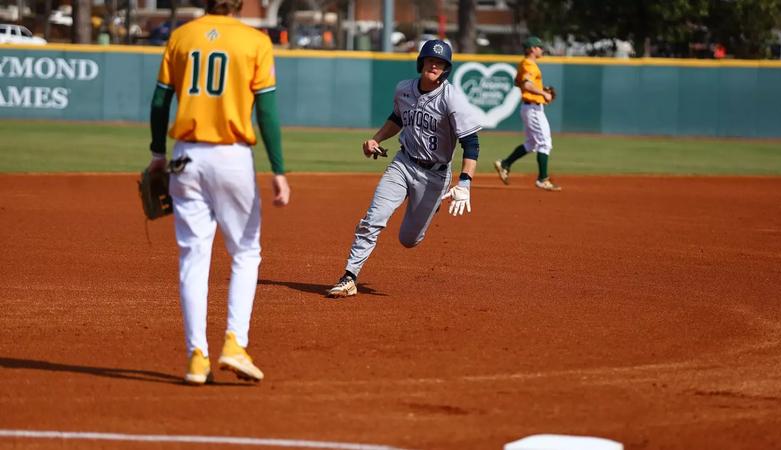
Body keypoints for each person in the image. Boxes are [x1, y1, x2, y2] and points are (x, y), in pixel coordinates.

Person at [147, 0, 290, 385]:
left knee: (194, 255)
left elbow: (161, 101)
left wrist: (158, 154)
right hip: (231, 157)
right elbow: (268, 111)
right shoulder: (254, 39)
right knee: (245, 252)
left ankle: (196, 357)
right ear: (240, 4)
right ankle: (234, 343)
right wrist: (278, 169)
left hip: (186, 157)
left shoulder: (181, 36)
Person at [326, 39, 481, 298]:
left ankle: (430, 206)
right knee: (373, 219)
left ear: (446, 69)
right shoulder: (404, 89)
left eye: (441, 63)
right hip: (403, 163)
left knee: (409, 240)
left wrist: (465, 181)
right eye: (431, 60)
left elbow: (471, 143)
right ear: (422, 62)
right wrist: (376, 139)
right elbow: (397, 118)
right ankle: (349, 276)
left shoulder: (452, 98)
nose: (435, 65)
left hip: (435, 175)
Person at [494, 36, 561, 191]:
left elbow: (518, 82)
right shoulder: (529, 64)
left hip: (530, 107)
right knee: (544, 143)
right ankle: (543, 179)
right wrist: (543, 94)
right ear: (532, 49)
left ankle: (505, 164)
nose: (541, 50)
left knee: (531, 143)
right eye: (539, 47)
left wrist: (539, 91)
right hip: (533, 108)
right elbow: (526, 84)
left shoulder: (524, 64)